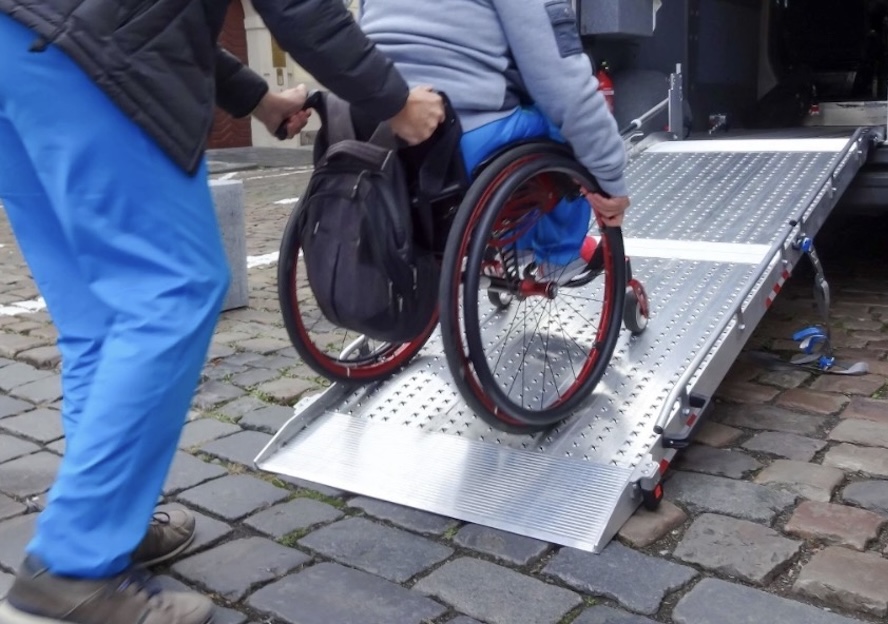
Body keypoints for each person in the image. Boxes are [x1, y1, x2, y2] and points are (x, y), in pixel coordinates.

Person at [0, 0, 444, 622]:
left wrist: (257, 98)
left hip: (18, 49)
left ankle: (105, 519)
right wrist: (394, 100)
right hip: (88, 61)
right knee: (171, 290)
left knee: (97, 320)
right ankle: (74, 563)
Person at [358, 0, 631, 283]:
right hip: (458, 142)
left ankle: (517, 246)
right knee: (568, 130)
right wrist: (610, 178)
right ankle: (558, 255)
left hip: (378, 138)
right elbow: (565, 87)